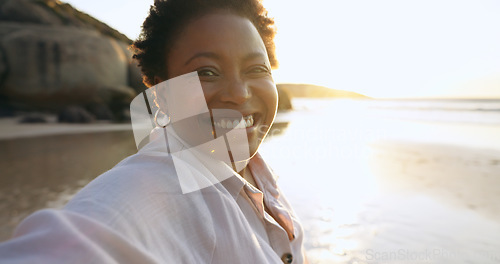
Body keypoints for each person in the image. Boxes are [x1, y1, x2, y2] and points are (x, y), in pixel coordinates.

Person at [0, 0, 308, 263]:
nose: (239, 94)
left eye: (257, 69)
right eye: (206, 72)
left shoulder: (255, 171)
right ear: (162, 94)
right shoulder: (160, 185)